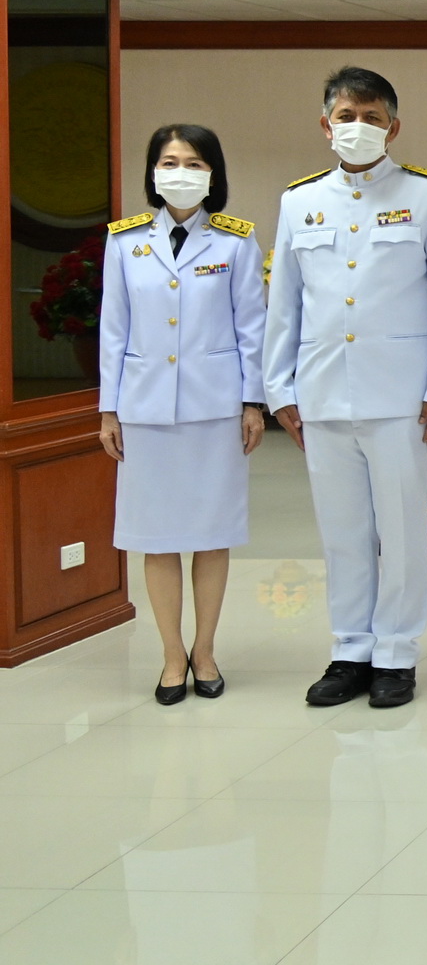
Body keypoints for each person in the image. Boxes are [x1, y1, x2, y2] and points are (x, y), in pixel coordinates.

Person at [266, 67, 427, 710]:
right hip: (323, 392)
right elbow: (284, 304)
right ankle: (350, 649)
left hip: (403, 399)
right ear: (326, 126)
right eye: (346, 116)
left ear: (393, 128)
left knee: (402, 529)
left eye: (372, 117)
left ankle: (397, 653)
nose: (359, 127)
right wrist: (279, 390)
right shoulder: (299, 202)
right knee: (342, 530)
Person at [97, 125, 265, 704]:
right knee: (158, 537)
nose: (180, 172)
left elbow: (252, 328)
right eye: (169, 162)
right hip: (144, 410)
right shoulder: (125, 241)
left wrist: (252, 402)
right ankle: (172, 655)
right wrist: (109, 410)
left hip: (215, 409)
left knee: (212, 535)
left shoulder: (235, 242)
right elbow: (113, 330)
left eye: (193, 162)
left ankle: (205, 650)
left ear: (213, 173)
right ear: (152, 172)